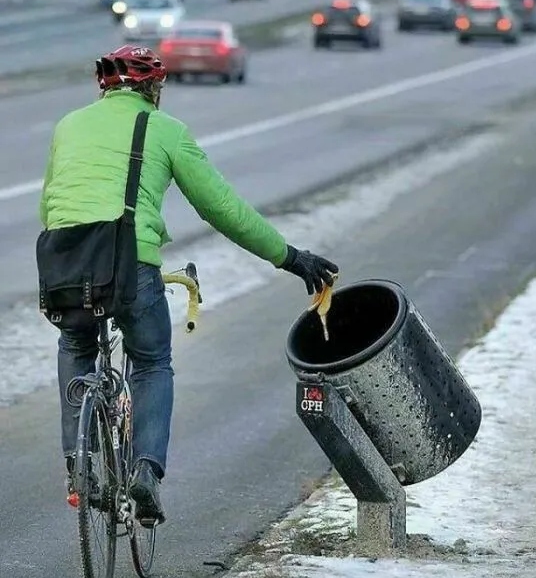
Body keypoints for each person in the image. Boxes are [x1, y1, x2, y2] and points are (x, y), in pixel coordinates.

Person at [39, 45, 338, 525]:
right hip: (128, 262)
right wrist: (289, 257)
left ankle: (78, 464)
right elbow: (222, 208)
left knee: (75, 344)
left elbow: (50, 203)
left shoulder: (67, 126)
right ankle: (145, 471)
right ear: (152, 88)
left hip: (64, 262)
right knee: (153, 361)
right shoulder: (166, 130)